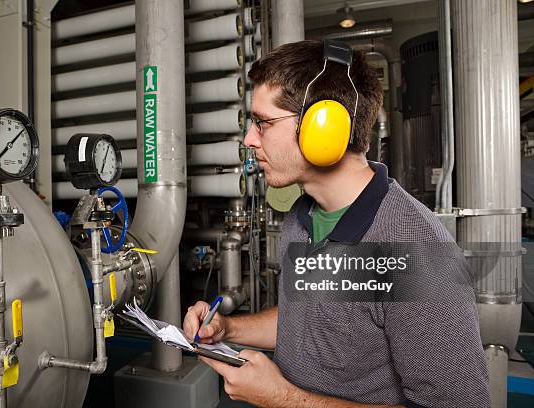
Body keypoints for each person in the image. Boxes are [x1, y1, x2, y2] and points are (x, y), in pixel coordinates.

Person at [183, 40, 490, 408]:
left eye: (262, 123)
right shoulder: (301, 217)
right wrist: (229, 328)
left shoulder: (414, 249)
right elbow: (309, 320)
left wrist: (283, 398)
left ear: (322, 128)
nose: (249, 140)